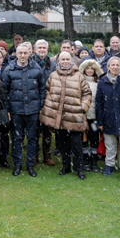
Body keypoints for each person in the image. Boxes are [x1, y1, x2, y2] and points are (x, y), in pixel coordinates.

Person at [40, 52, 91, 180]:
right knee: (63, 144)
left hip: (75, 117)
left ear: (72, 60)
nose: (65, 61)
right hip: (60, 118)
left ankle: (79, 168)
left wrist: (83, 107)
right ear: (58, 61)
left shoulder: (79, 76)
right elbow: (47, 91)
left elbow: (87, 94)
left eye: (67, 59)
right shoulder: (53, 75)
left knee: (77, 145)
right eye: (62, 59)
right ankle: (66, 166)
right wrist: (50, 105)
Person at [1, 42, 47, 177]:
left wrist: (40, 106)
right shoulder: (9, 69)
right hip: (16, 111)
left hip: (33, 110)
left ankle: (30, 165)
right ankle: (17, 165)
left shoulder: (36, 69)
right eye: (20, 53)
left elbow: (42, 89)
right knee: (16, 138)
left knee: (32, 139)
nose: (22, 55)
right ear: (16, 53)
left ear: (30, 53)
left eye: (25, 53)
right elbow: (5, 92)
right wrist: (8, 109)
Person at [32, 40, 55, 167]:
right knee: (34, 130)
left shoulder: (52, 65)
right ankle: (35, 154)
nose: (41, 50)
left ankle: (47, 155)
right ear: (35, 49)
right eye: (39, 47)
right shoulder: (31, 63)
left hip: (48, 101)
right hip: (34, 100)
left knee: (47, 130)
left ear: (47, 49)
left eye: (44, 48)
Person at [80, 59, 104, 172]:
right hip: (83, 116)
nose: (89, 71)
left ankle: (94, 161)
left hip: (94, 116)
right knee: (84, 139)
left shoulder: (99, 83)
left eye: (92, 68)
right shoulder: (80, 82)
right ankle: (85, 161)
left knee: (94, 138)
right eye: (87, 68)